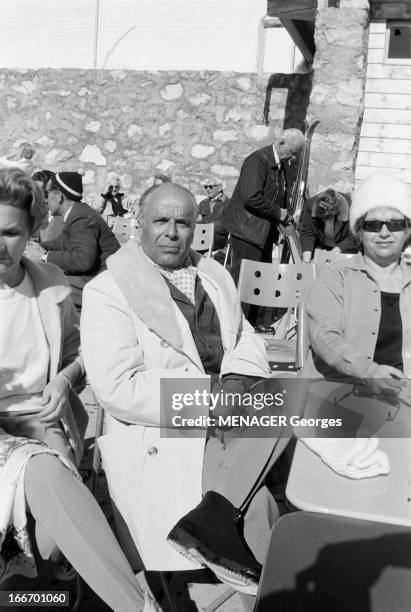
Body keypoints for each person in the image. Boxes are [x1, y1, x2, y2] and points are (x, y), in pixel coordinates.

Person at [81, 182, 290, 596]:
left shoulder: (213, 275)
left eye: (183, 222)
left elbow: (245, 337)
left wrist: (235, 382)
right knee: (260, 508)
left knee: (293, 403)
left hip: (229, 411)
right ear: (139, 224)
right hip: (167, 430)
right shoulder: (108, 290)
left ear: (197, 227)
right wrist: (211, 399)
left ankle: (219, 523)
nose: (172, 232)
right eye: (161, 220)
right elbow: (117, 387)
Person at [0, 168, 146, 610]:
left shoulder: (50, 284)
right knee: (49, 482)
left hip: (42, 419)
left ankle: (39, 588)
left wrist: (65, 380)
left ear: (32, 233)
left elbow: (83, 354)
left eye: (10, 232)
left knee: (52, 527)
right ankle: (135, 604)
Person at [223, 128, 305, 329]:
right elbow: (251, 197)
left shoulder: (278, 164)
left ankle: (254, 322)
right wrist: (279, 213)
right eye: (293, 152)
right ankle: (236, 323)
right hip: (247, 230)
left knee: (260, 277)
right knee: (245, 279)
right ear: (282, 143)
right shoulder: (258, 160)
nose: (293, 158)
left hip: (263, 231)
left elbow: (276, 194)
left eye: (296, 154)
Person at [31, 171, 120, 309]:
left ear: (59, 196)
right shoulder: (76, 213)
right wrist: (33, 246)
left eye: (47, 194)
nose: (45, 200)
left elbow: (83, 260)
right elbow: (60, 243)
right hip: (95, 278)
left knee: (42, 284)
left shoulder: (81, 217)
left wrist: (44, 256)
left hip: (102, 283)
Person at [300, 188, 357, 263]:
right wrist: (306, 262)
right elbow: (308, 234)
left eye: (326, 218)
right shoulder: (310, 205)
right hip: (322, 248)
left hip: (345, 251)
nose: (323, 220)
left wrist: (334, 253)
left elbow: (353, 237)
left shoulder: (353, 208)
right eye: (321, 218)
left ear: (336, 211)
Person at [197, 178, 230, 258]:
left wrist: (207, 227)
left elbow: (226, 226)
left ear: (220, 188)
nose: (208, 189)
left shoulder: (229, 204)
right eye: (206, 187)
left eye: (211, 187)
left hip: (218, 238)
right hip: (201, 235)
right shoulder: (203, 203)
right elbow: (196, 219)